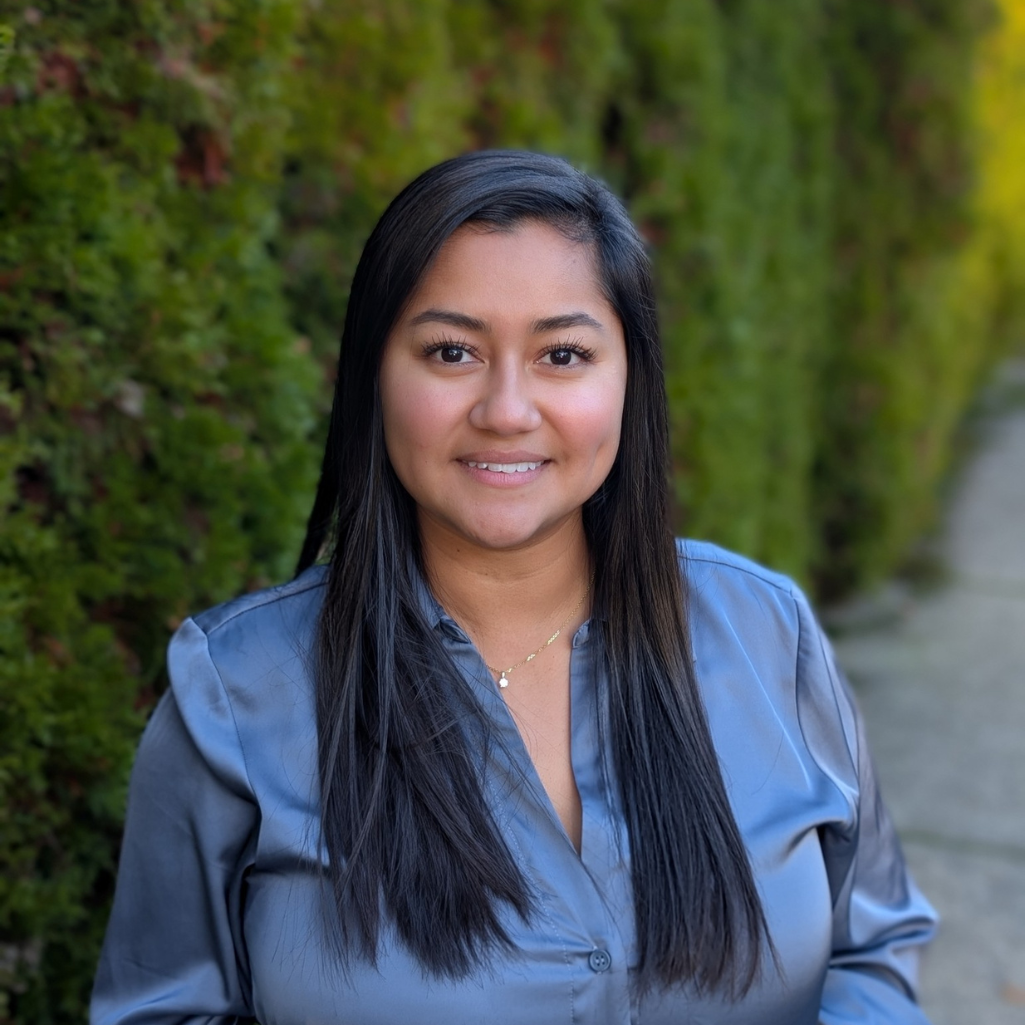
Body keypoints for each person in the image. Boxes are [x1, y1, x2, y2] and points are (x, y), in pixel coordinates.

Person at [91, 150, 937, 1024]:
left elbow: (869, 949)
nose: (505, 408)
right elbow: (163, 1008)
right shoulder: (234, 696)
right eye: (451, 350)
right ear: (373, 375)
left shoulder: (765, 632)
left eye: (562, 354)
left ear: (629, 381)